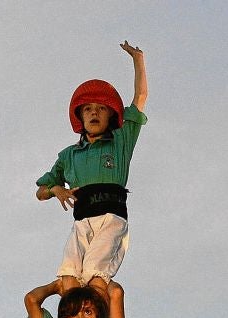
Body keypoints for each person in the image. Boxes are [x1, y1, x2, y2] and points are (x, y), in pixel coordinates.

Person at [35, 40, 148, 297]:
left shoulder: (121, 139)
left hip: (111, 217)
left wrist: (138, 59)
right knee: (70, 279)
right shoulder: (69, 155)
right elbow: (40, 191)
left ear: (111, 116)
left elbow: (140, 98)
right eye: (88, 109)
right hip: (81, 221)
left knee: (96, 277)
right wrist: (56, 190)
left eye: (100, 109)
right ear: (80, 116)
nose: (94, 113)